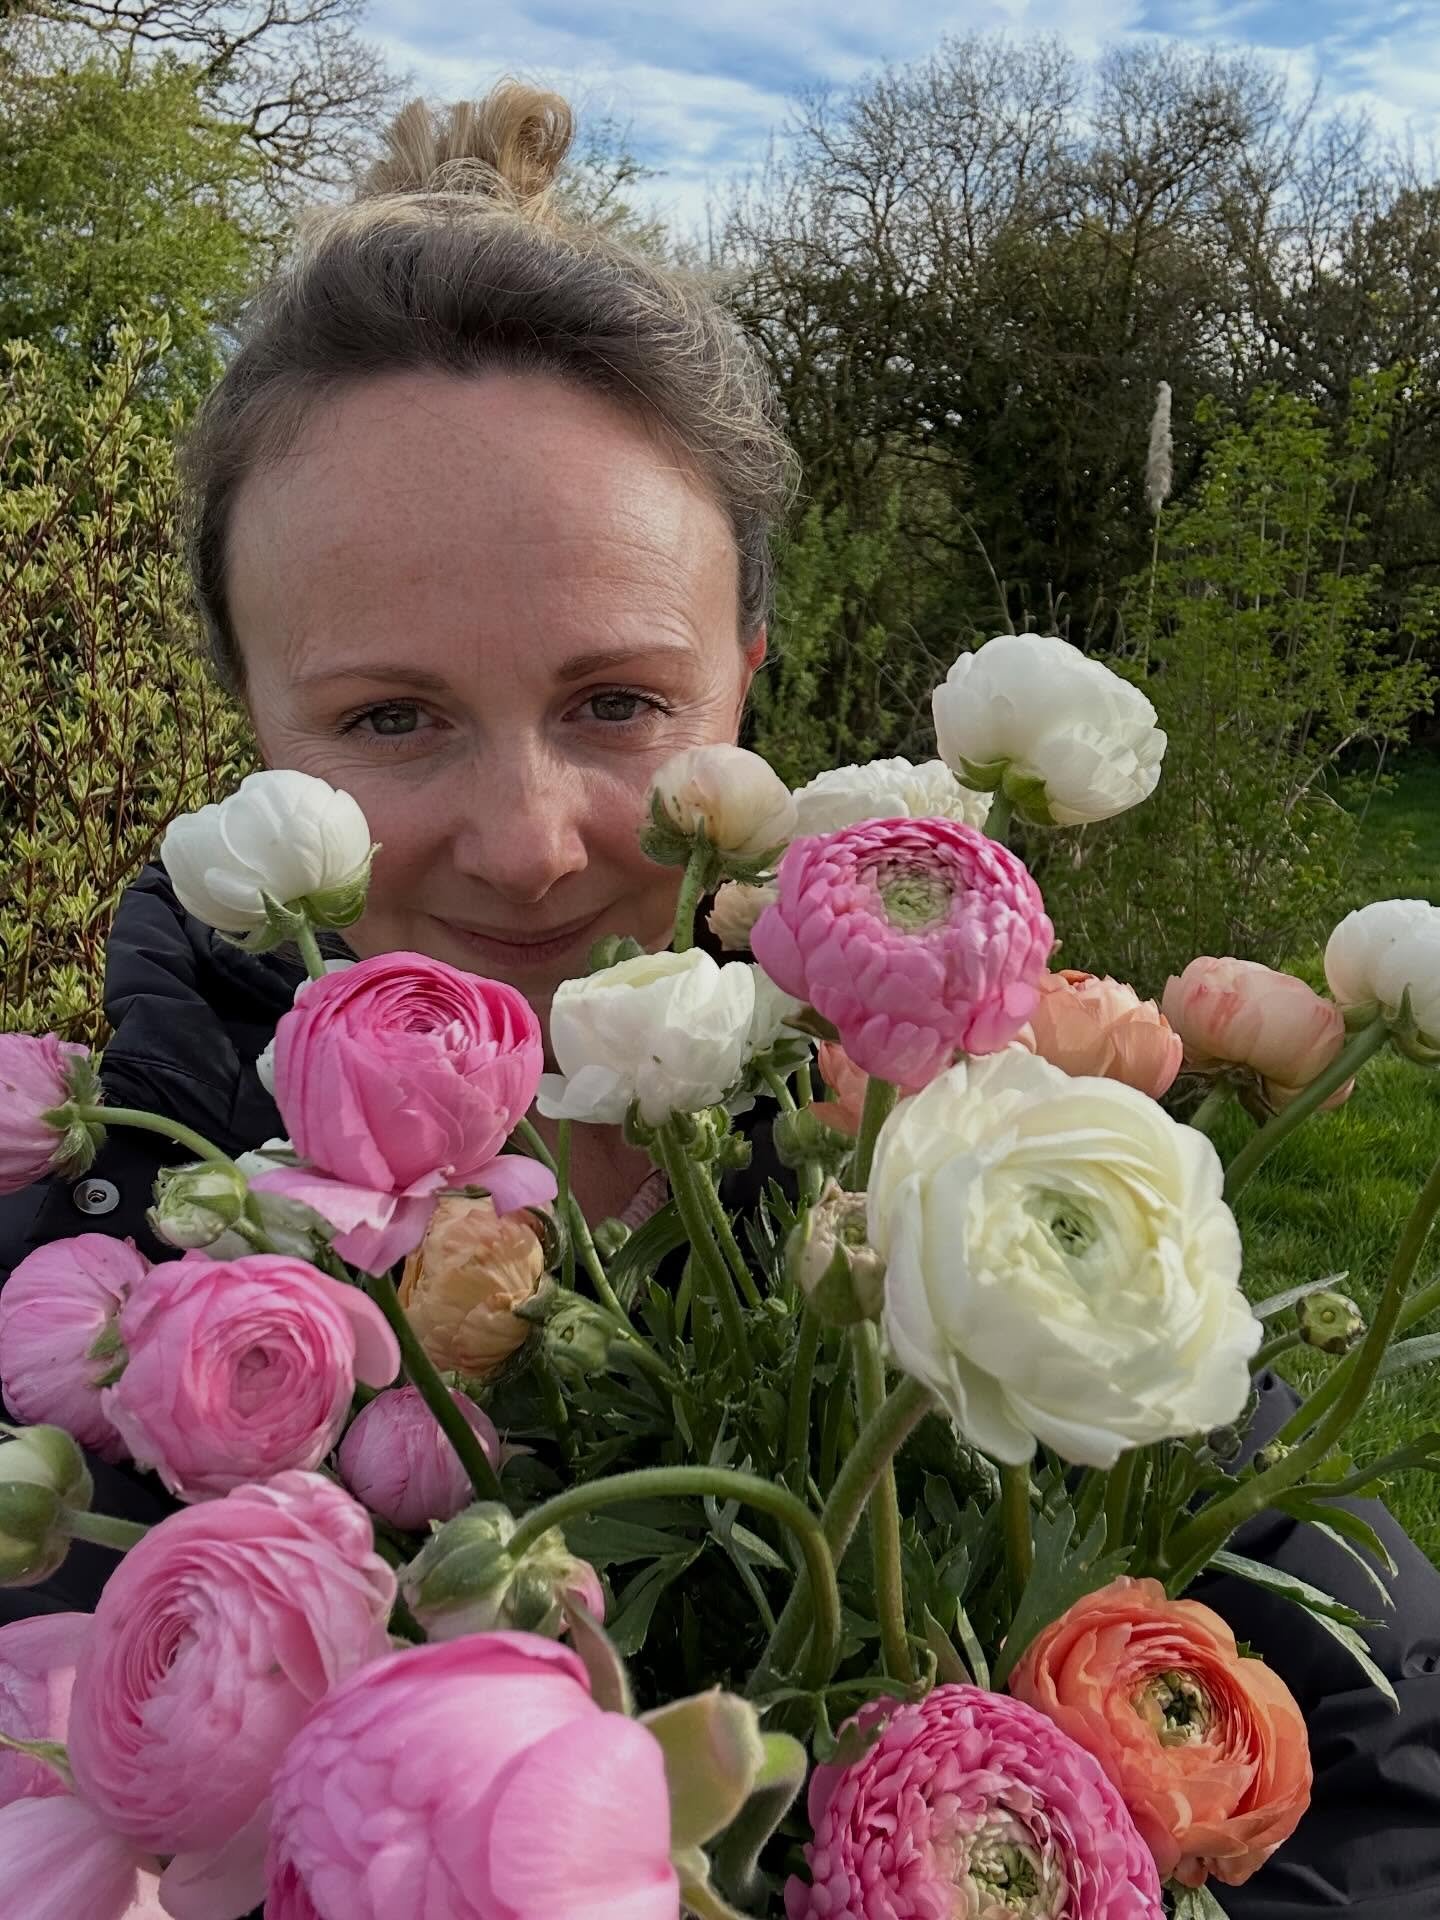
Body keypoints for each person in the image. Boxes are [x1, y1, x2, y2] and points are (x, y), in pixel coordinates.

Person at [1, 83, 1437, 1917]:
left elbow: (1389, 1758)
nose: (528, 848)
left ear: (743, 680)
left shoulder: (971, 1169)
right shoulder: (79, 1291)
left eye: (616, 703)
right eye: (389, 717)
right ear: (254, 721)